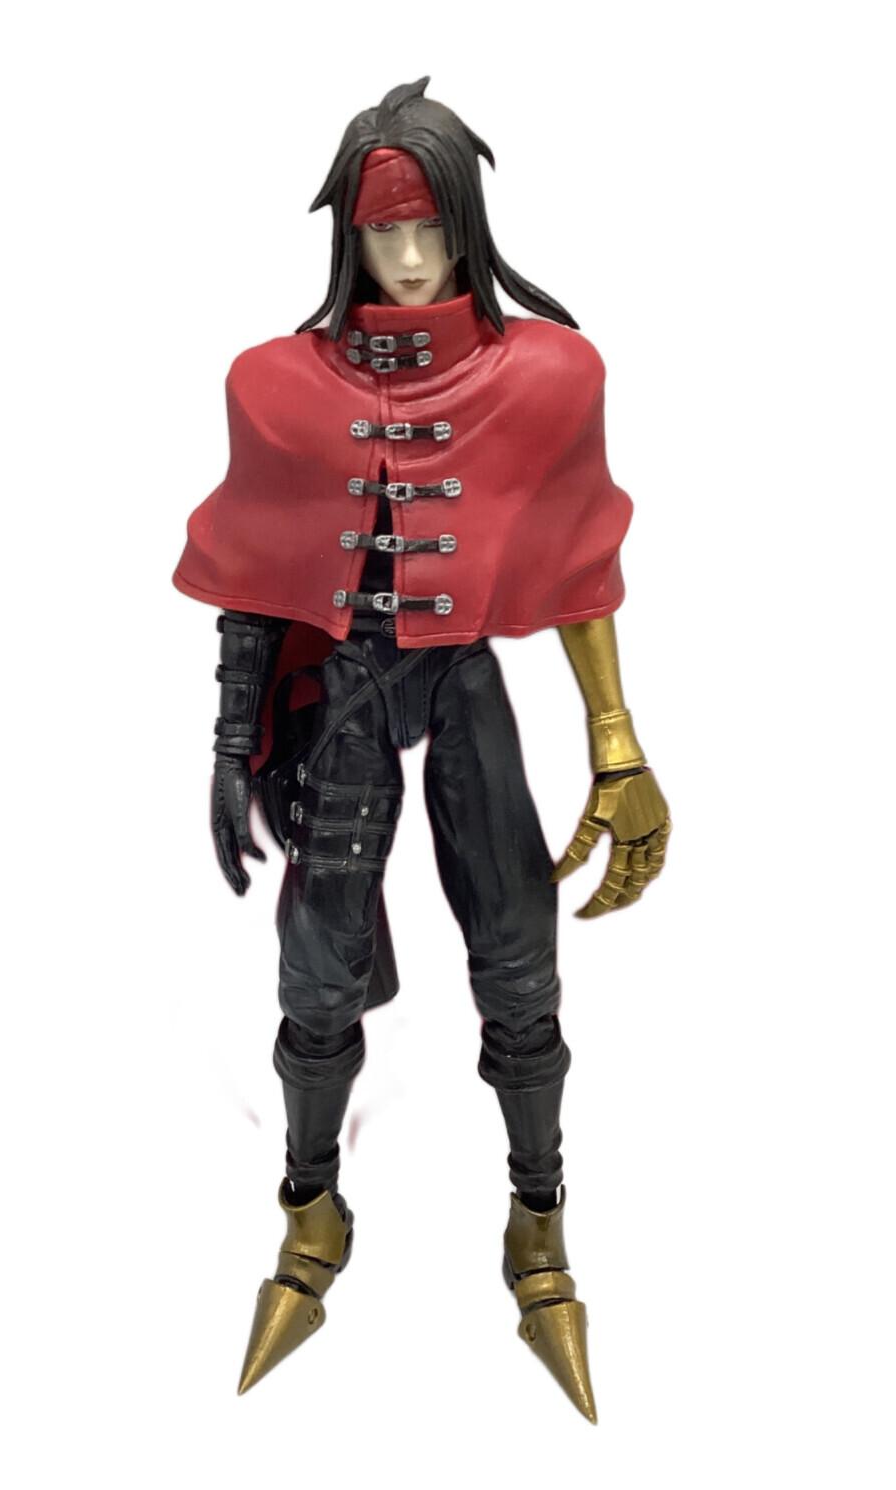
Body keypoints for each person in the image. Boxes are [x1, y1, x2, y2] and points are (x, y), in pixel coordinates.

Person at [172, 77, 671, 1421]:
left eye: (431, 229)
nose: (407, 257)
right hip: (342, 694)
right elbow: (254, 576)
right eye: (384, 231)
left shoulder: (552, 374)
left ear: (468, 227)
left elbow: (580, 567)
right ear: (349, 235)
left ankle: (538, 1222)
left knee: (520, 955)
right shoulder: (274, 383)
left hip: (463, 688)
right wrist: (231, 741)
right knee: (315, 968)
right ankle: (310, 1209)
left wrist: (618, 747)